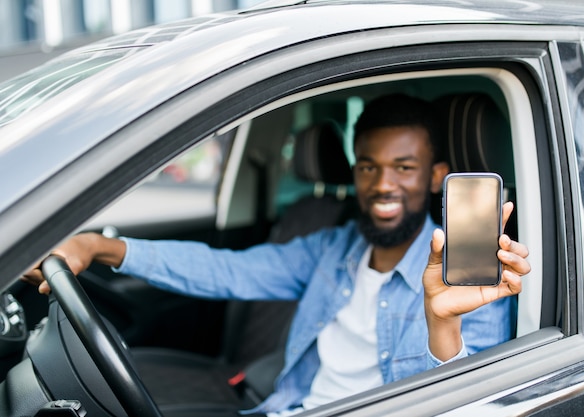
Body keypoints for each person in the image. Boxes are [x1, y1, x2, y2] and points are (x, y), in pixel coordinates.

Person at [23, 93, 531, 416]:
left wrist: (441, 325)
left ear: (437, 175)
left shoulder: (465, 275)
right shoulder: (334, 248)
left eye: (404, 167)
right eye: (368, 167)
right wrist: (98, 245)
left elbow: (476, 402)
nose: (382, 185)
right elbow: (226, 270)